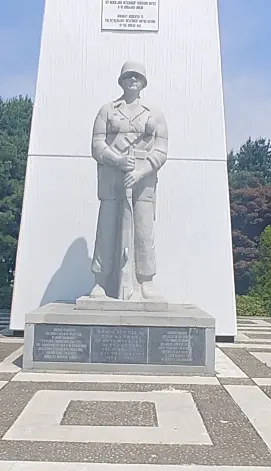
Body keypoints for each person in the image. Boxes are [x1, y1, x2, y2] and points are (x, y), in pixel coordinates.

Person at [89, 60, 169, 300]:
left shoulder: (154, 113)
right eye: (128, 76)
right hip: (112, 178)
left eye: (137, 77)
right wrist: (117, 161)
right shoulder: (108, 110)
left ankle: (146, 281)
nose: (132, 80)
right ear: (121, 81)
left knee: (144, 231)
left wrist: (140, 171)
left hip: (143, 181)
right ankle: (100, 281)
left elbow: (161, 149)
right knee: (107, 229)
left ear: (143, 82)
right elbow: (97, 144)